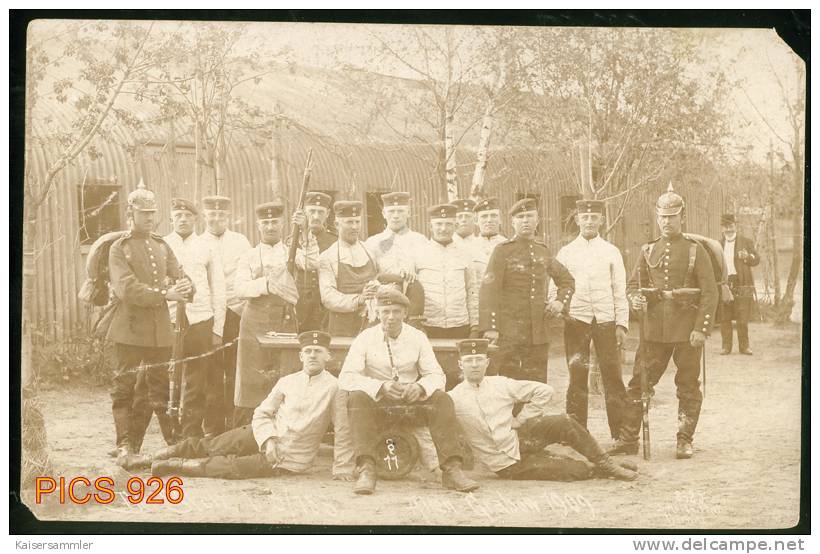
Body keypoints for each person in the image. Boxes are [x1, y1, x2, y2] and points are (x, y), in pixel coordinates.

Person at [124, 331, 353, 480]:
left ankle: (173, 465)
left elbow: (342, 429)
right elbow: (262, 412)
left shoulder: (334, 387)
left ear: (328, 357)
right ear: (301, 356)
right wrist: (269, 439)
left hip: (288, 458)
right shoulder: (288, 381)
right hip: (263, 434)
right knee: (212, 445)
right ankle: (146, 458)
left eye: (318, 352)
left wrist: (342, 467)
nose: (313, 356)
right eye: (308, 351)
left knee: (228, 467)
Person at [610, 185, 719, 459]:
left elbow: (710, 292)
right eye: (662, 216)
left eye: (672, 216)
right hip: (654, 331)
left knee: (688, 385)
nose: (667, 221)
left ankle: (684, 439)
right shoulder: (648, 250)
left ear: (682, 217)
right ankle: (628, 439)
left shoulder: (696, 251)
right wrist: (635, 299)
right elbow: (634, 284)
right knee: (639, 383)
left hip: (687, 332)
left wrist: (701, 329)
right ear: (657, 218)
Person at [339, 288, 479, 495]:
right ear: (377, 313)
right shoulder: (365, 338)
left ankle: (452, 469)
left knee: (442, 399)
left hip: (410, 402)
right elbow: (347, 376)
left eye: (396, 311)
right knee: (356, 398)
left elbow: (436, 375)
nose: (391, 317)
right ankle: (367, 469)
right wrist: (380, 386)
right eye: (385, 311)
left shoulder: (418, 337)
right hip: (380, 405)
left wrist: (420, 387)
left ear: (405, 314)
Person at [449, 339, 637, 481]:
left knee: (565, 421)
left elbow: (544, 391)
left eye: (479, 359)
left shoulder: (500, 384)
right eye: (469, 360)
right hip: (506, 463)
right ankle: (598, 467)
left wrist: (521, 419)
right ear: (460, 364)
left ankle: (607, 463)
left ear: (487, 363)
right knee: (574, 471)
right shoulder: (453, 398)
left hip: (520, 439)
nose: (474, 365)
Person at [106, 183, 192, 462]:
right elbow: (126, 288)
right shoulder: (120, 248)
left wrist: (187, 287)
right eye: (144, 214)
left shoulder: (161, 245)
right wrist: (166, 294)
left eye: (152, 213)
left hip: (159, 332)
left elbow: (180, 275)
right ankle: (124, 445)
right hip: (129, 330)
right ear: (130, 214)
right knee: (124, 389)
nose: (150, 218)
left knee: (160, 389)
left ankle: (173, 443)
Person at [553, 199, 629, 441]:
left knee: (613, 377)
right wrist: (561, 309)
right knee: (577, 376)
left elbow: (620, 290)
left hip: (606, 320)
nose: (589, 222)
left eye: (594, 217)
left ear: (601, 221)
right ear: (577, 220)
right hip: (576, 320)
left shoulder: (611, 251)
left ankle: (619, 434)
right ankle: (576, 434)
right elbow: (553, 285)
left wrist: (621, 324)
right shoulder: (565, 252)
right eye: (584, 217)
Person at [478, 197, 575, 382]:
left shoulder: (542, 251)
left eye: (529, 216)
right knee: (509, 383)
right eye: (520, 217)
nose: (525, 221)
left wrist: (560, 302)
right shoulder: (502, 251)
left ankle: (536, 412)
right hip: (509, 333)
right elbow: (489, 291)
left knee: (537, 384)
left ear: (537, 220)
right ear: (512, 222)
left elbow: (567, 281)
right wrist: (491, 327)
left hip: (537, 333)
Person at [233, 202, 303, 427]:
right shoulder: (249, 256)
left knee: (285, 376)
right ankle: (248, 430)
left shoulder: (294, 253)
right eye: (266, 222)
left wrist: (305, 230)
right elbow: (240, 289)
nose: (270, 226)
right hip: (254, 322)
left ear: (283, 224)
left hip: (285, 321)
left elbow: (314, 262)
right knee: (252, 380)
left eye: (275, 222)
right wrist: (267, 284)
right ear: (258, 225)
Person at [163, 198, 227, 440]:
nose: (183, 220)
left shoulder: (206, 247)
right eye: (178, 215)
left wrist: (217, 329)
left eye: (188, 216)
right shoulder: (162, 245)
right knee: (168, 376)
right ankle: (170, 432)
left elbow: (218, 289)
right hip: (169, 320)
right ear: (171, 218)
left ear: (195, 219)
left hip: (200, 320)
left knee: (197, 379)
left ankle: (191, 432)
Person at [199, 195, 252, 434]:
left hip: (235, 312)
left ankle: (233, 423)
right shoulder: (198, 243)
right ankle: (212, 425)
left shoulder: (241, 242)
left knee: (234, 369)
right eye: (212, 214)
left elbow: (248, 275)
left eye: (221, 214)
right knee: (210, 371)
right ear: (205, 215)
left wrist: (240, 307)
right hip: (208, 315)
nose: (217, 218)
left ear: (228, 216)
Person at [318, 201, 380, 336]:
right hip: (342, 326)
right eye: (349, 222)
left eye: (357, 222)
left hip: (371, 324)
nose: (354, 227)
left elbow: (381, 278)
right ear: (336, 224)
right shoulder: (328, 257)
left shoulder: (370, 251)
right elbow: (328, 297)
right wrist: (359, 299)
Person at [415, 203, 476, 339]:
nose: (443, 229)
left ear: (455, 226)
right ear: (430, 227)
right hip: (428, 325)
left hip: (460, 325)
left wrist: (475, 326)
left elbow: (472, 291)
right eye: (439, 224)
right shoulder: (418, 253)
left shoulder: (465, 253)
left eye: (448, 224)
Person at [291, 191, 338, 332]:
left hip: (325, 307)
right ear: (304, 213)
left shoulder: (335, 241)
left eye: (320, 212)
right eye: (312, 211)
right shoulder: (292, 241)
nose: (316, 217)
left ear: (328, 214)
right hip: (299, 306)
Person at [718, 213, 759, 355]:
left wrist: (748, 256)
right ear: (722, 228)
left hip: (742, 282)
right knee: (725, 317)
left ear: (735, 226)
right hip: (725, 282)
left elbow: (756, 260)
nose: (728, 230)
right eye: (725, 227)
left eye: (731, 226)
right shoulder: (718, 244)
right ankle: (726, 347)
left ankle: (744, 347)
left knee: (742, 317)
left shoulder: (746, 242)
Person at [466, 197, 508, 335]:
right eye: (484, 216)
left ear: (500, 219)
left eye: (494, 216)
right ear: (476, 221)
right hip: (476, 316)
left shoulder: (509, 246)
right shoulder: (466, 249)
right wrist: (474, 324)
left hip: (504, 316)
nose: (489, 220)